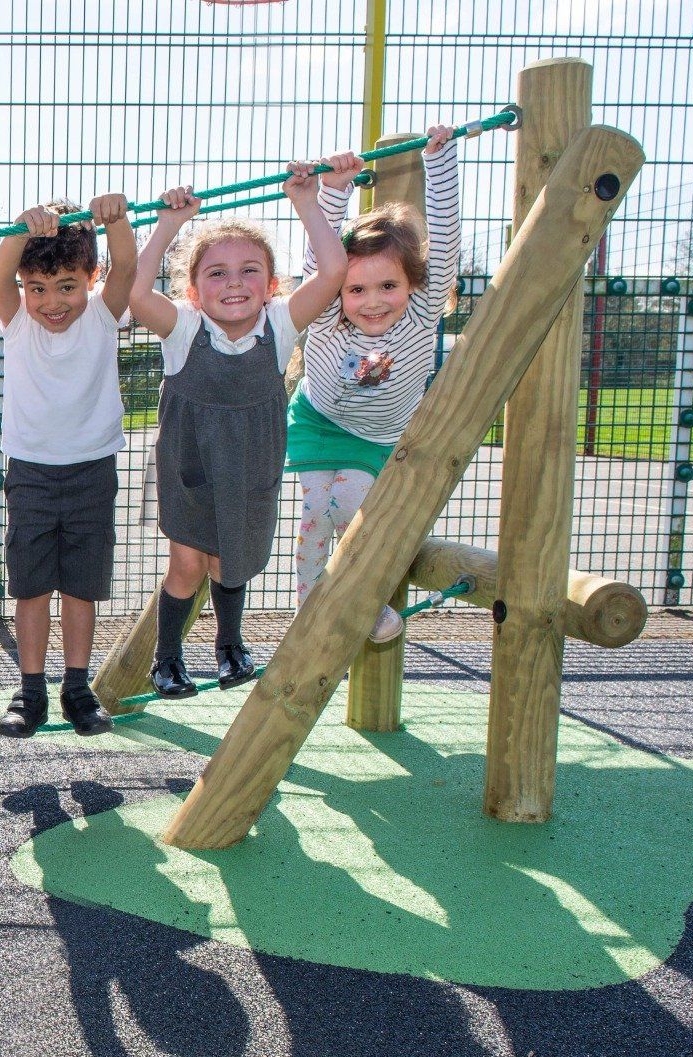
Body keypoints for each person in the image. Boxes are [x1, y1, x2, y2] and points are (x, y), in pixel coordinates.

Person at [129, 166, 347, 698]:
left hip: (251, 466)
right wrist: (168, 224)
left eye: (249, 271)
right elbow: (136, 295)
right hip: (190, 465)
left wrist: (306, 203)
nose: (233, 283)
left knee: (232, 560)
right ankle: (167, 659)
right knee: (186, 563)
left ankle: (230, 646)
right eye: (216, 273)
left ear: (271, 286)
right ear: (193, 289)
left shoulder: (280, 325)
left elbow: (334, 271)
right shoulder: (183, 328)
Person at [289, 126, 461, 642]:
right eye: (356, 288)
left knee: (352, 510)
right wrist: (334, 191)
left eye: (389, 285)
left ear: (414, 284)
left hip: (376, 436)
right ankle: (309, 606)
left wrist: (441, 163)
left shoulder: (420, 317)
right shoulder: (326, 316)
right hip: (318, 422)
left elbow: (446, 245)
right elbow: (319, 262)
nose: (373, 300)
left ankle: (366, 601)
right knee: (315, 516)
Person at [0, 197, 138, 738]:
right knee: (31, 587)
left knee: (80, 586)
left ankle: (77, 687)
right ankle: (30, 691)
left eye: (67, 286)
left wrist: (115, 220)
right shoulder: (17, 323)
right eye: (39, 289)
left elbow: (129, 266)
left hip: (91, 471)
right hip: (30, 473)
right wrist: (22, 227)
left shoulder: (102, 315)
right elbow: (0, 275)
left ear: (89, 279)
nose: (53, 302)